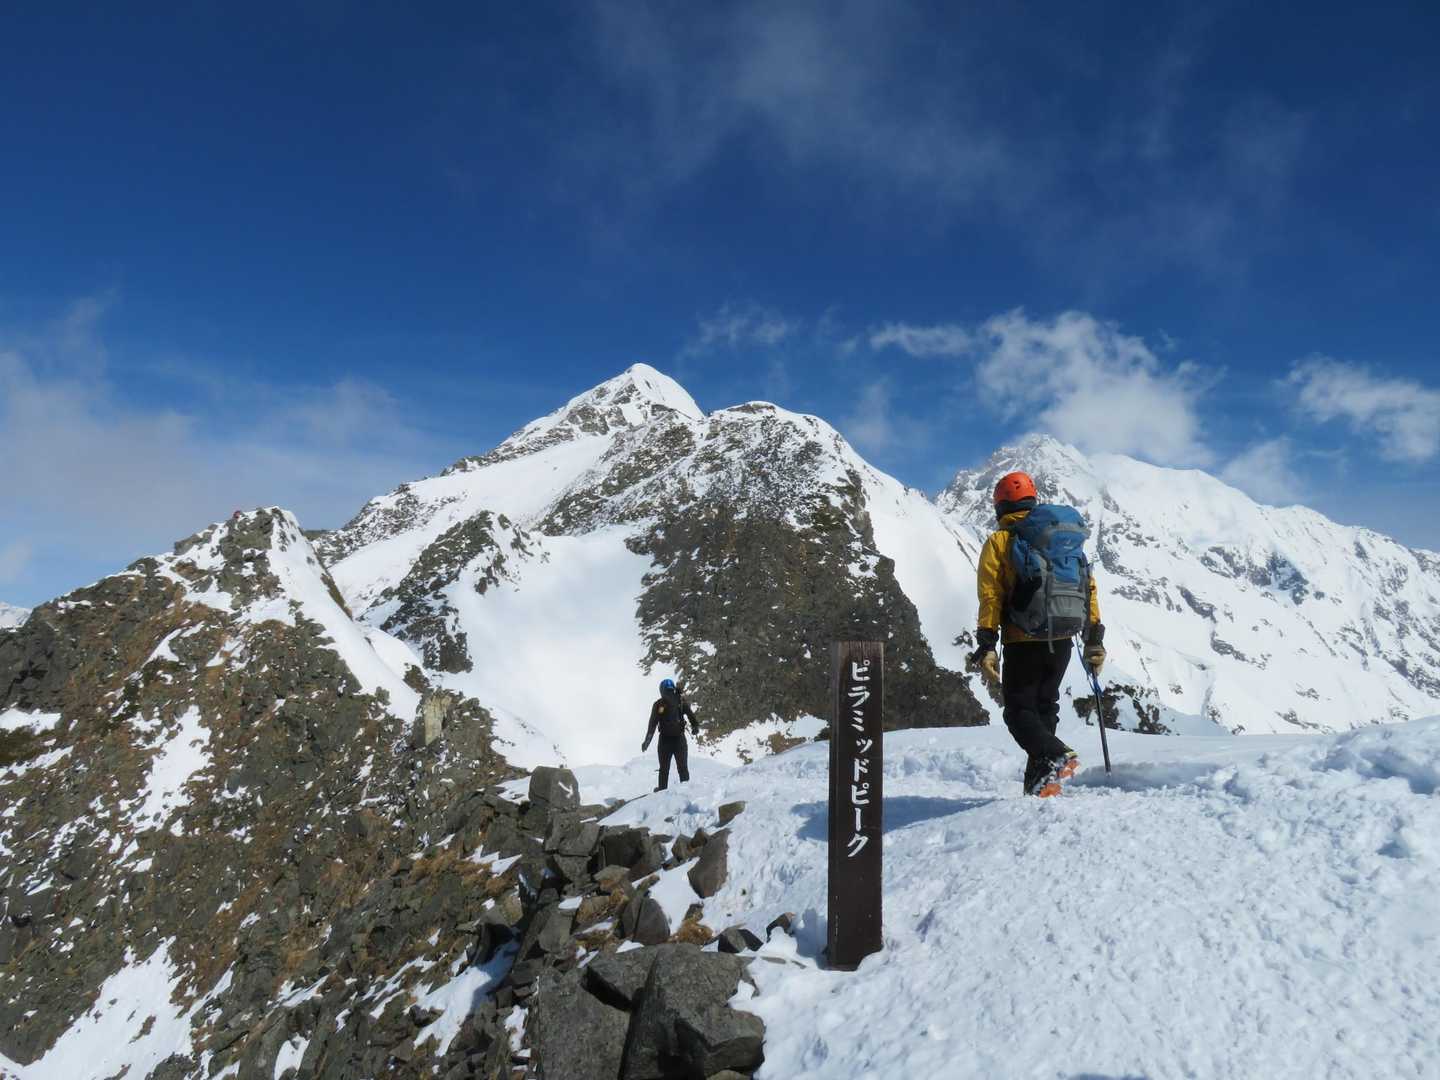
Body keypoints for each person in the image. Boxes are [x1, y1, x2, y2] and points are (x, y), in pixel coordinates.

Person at [968, 471, 1106, 796]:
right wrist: (1094, 640)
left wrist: (987, 642)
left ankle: (1057, 754)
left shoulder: (1001, 541)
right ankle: (1041, 784)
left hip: (1023, 639)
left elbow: (990, 595)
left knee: (1019, 712)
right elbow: (1088, 588)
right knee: (1045, 708)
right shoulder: (1064, 540)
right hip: (1063, 638)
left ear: (999, 505)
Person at [641, 677, 700, 791]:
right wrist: (695, 727)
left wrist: (646, 742)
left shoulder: (659, 704)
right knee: (683, 768)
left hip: (665, 740)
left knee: (664, 769)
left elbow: (652, 725)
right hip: (680, 739)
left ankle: (662, 789)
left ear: (662, 690)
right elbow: (691, 716)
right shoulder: (681, 701)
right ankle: (686, 791)